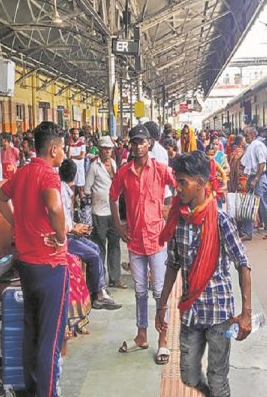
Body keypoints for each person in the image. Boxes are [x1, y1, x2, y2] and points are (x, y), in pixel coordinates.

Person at [156, 151, 252, 397]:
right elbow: (173, 264)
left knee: (217, 377)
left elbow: (243, 263)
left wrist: (246, 314)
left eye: (182, 182)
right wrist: (161, 304)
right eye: (176, 181)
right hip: (190, 311)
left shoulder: (221, 220)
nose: (177, 188)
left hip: (218, 311)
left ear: (199, 183)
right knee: (188, 373)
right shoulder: (178, 220)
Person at [0, 121, 69, 397]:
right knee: (50, 340)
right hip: (50, 265)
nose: (63, 153)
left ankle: (32, 389)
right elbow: (54, 205)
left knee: (32, 331)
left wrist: (18, 224)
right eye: (62, 149)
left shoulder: (22, 173)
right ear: (52, 149)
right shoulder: (49, 175)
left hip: (26, 265)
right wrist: (61, 236)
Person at [110, 124, 176, 365]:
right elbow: (113, 195)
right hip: (135, 241)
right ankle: (141, 335)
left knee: (159, 292)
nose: (138, 146)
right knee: (139, 292)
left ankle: (163, 340)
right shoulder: (124, 173)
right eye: (134, 142)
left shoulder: (160, 169)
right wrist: (118, 225)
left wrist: (172, 209)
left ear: (150, 143)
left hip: (157, 239)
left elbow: (179, 183)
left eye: (142, 142)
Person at [59, 159, 121, 310]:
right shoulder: (61, 192)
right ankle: (98, 293)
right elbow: (59, 220)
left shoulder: (66, 191)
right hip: (64, 237)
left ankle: (98, 290)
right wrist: (74, 229)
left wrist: (76, 226)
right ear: (74, 176)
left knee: (95, 248)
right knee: (93, 254)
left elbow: (65, 218)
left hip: (69, 232)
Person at [85, 136, 124, 288]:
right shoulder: (94, 167)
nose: (108, 151)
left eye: (109, 148)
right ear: (99, 150)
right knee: (100, 246)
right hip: (99, 213)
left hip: (113, 213)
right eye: (105, 148)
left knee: (114, 245)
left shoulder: (113, 163)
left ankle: (115, 278)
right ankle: (100, 280)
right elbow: (88, 189)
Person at [241, 126, 267, 240]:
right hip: (253, 177)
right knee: (247, 204)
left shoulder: (257, 145)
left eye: (246, 135)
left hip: (258, 178)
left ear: (252, 135)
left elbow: (262, 163)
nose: (245, 137)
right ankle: (247, 232)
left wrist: (256, 179)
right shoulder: (253, 145)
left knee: (262, 205)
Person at [67, 128, 86, 198]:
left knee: (81, 188)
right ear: (71, 135)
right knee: (71, 188)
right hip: (71, 169)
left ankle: (83, 204)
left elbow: (82, 156)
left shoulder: (82, 144)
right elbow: (68, 156)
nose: (75, 135)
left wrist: (72, 157)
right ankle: (72, 206)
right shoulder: (69, 145)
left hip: (80, 169)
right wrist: (70, 145)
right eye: (73, 134)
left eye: (76, 134)